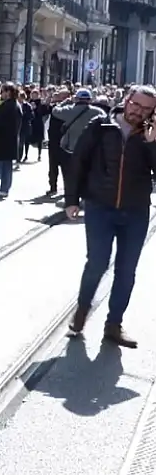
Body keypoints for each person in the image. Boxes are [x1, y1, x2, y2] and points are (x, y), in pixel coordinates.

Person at [66, 86, 156, 348]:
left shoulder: (151, 136)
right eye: (135, 105)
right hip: (99, 207)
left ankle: (114, 324)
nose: (138, 112)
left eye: (146, 109)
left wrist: (153, 145)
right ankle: (82, 311)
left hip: (136, 212)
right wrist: (71, 200)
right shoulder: (101, 125)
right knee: (97, 262)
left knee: (126, 270)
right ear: (126, 101)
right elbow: (78, 162)